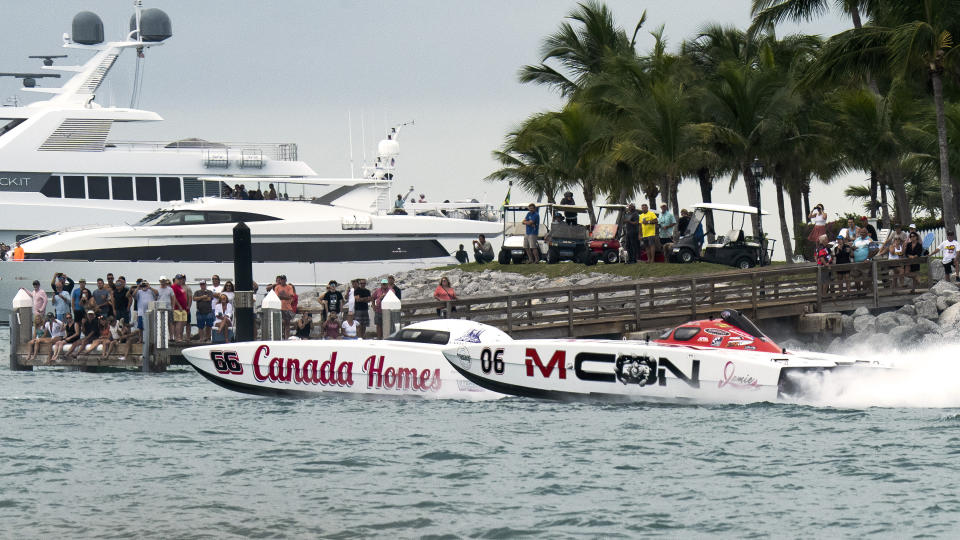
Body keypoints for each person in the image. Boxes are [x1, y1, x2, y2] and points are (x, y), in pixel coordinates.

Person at [170, 274, 189, 341]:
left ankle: (180, 336)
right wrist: (179, 306)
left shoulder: (180, 287)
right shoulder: (174, 286)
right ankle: (177, 337)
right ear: (175, 279)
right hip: (177, 308)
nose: (180, 280)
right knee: (178, 323)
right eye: (178, 279)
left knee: (183, 323)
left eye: (181, 279)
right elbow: (174, 297)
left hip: (184, 309)